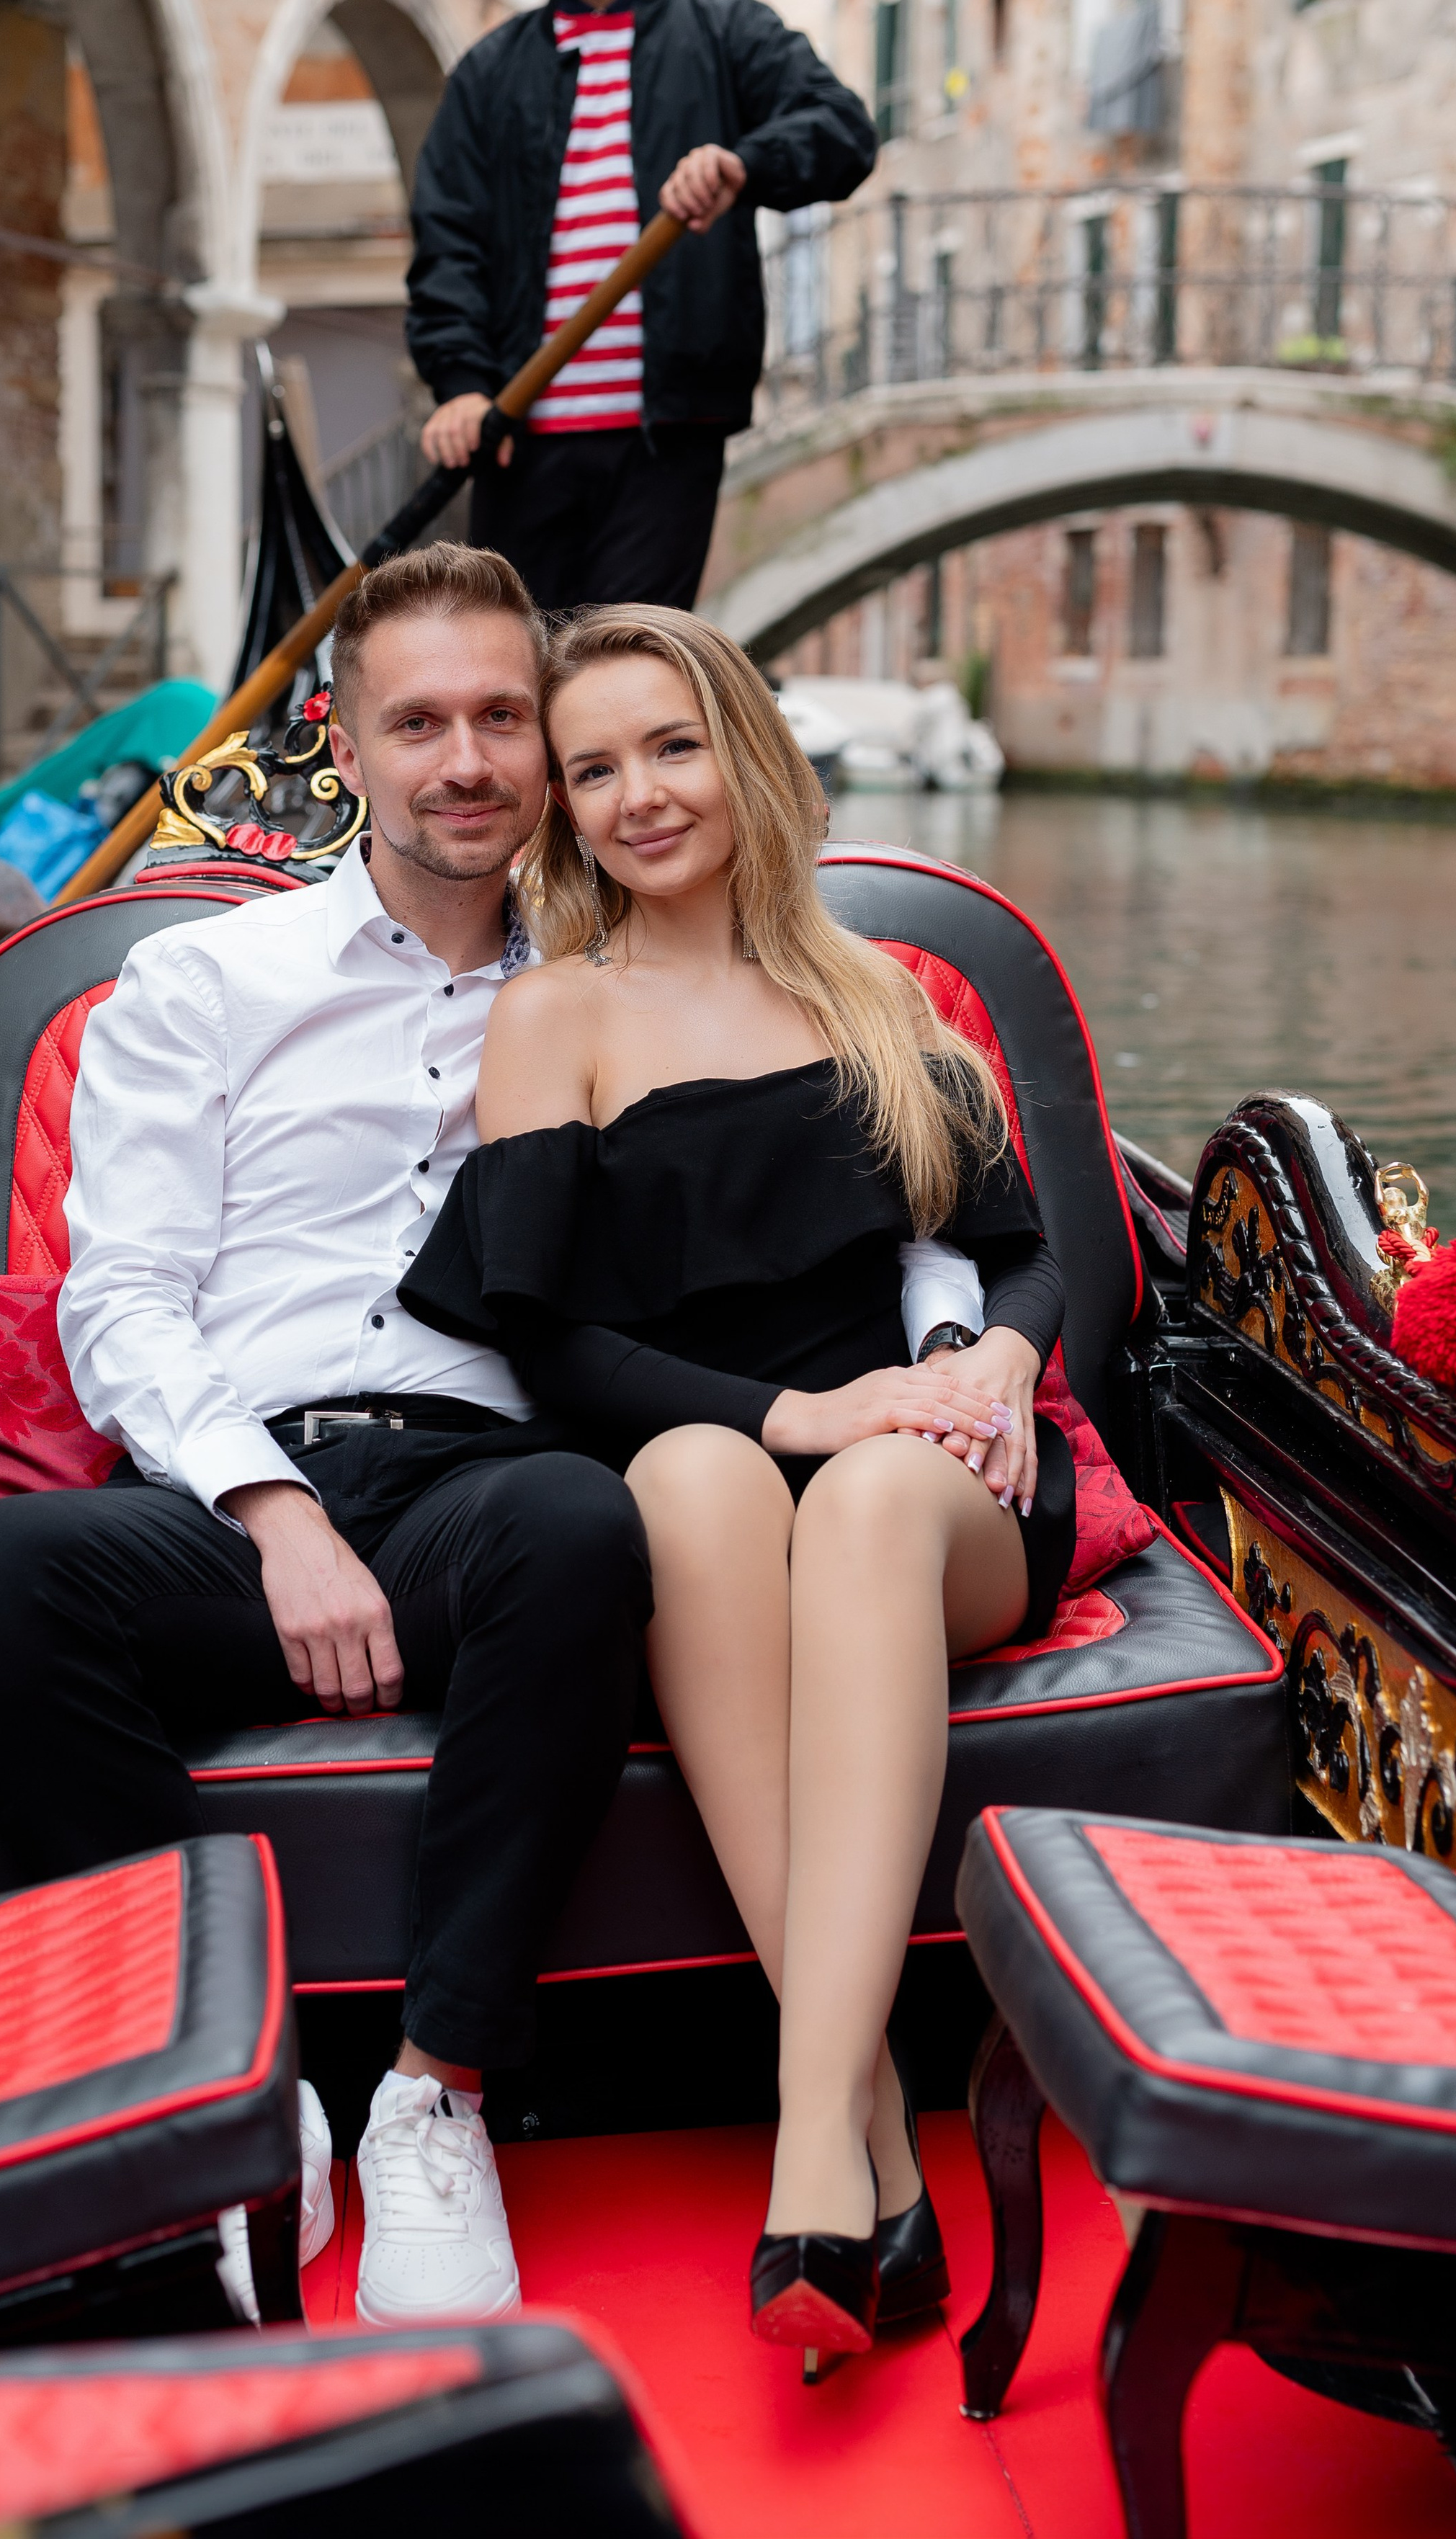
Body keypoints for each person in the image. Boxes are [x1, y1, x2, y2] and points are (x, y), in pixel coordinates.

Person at [0, 543, 658, 2334]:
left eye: (502, 718)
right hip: (232, 1491)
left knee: (578, 1525)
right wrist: (271, 1506)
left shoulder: (615, 989)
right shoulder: (202, 981)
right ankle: (232, 2082)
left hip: (479, 1488)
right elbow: (121, 1301)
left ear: (545, 743)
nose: (464, 761)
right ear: (343, 743)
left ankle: (434, 2093)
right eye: (420, 722)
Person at [401, 605, 1073, 2368]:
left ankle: (810, 2148)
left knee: (863, 1501)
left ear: (744, 754)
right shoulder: (555, 1014)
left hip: (930, 1490)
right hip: (734, 1456)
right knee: (690, 1477)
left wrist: (992, 1368)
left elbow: (1018, 1255)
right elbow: (550, 1342)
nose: (637, 794)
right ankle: (869, 2152)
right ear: (560, 805)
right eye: (593, 767)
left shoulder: (873, 993)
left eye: (671, 746)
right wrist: (799, 1411)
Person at [406, 0, 877, 614]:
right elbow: (448, 239)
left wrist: (742, 163)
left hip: (668, 437)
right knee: (518, 663)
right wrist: (462, 383)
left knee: (627, 657)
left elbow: (843, 131)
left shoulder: (727, 33)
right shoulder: (489, 72)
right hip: (517, 432)